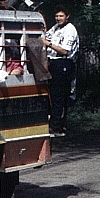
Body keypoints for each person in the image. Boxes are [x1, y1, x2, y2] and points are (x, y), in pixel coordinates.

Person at [42, 8, 78, 136]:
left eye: (61, 16)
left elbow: (64, 51)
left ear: (67, 16)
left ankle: (57, 127)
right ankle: (53, 123)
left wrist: (48, 43)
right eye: (56, 15)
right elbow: (44, 36)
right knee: (51, 94)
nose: (58, 18)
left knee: (59, 96)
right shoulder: (56, 27)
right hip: (53, 62)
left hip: (64, 63)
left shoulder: (70, 29)